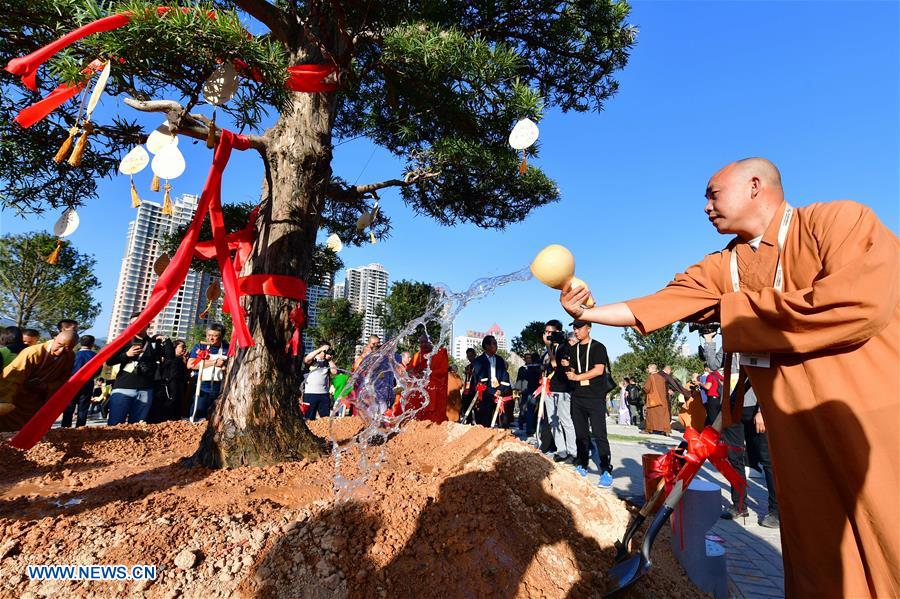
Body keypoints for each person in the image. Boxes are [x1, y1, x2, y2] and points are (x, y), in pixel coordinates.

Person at [560, 157, 899, 597]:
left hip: (872, 414)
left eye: (712, 194)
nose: (705, 207)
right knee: (817, 554)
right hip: (793, 433)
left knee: (888, 532)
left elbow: (863, 304)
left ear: (755, 186)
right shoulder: (726, 266)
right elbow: (665, 302)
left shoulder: (838, 220)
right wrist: (587, 312)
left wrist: (735, 311)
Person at [703, 334, 779, 527]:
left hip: (754, 407)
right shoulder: (729, 341)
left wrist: (763, 409)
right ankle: (739, 505)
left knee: (767, 460)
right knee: (734, 458)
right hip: (731, 407)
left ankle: (776, 511)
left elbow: (767, 377)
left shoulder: (756, 339)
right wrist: (709, 341)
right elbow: (713, 365)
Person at [566, 320, 614, 487]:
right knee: (581, 434)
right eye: (574, 328)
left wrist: (578, 377)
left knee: (600, 434)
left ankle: (606, 469)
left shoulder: (598, 347)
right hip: (577, 397)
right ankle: (582, 464)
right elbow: (571, 369)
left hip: (595, 398)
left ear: (589, 328)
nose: (576, 331)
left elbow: (599, 370)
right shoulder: (573, 349)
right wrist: (568, 371)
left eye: (579, 327)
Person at [0, 330, 77, 431]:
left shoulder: (69, 356)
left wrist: (46, 386)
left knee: (35, 433)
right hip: (17, 402)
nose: (60, 351)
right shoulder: (33, 353)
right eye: (59, 345)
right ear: (54, 338)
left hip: (38, 404)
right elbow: (12, 379)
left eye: (68, 348)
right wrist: (5, 403)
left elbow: (64, 381)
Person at [105, 313, 173, 425]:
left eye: (139, 324)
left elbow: (170, 356)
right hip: (123, 387)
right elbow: (109, 361)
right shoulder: (123, 341)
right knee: (115, 424)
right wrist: (127, 354)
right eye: (132, 324)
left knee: (137, 425)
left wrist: (165, 339)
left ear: (147, 325)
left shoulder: (153, 343)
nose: (135, 327)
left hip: (145, 390)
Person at [542, 320, 576, 462]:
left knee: (565, 420)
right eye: (546, 332)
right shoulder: (548, 349)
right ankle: (561, 450)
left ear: (558, 331)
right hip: (550, 389)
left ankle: (573, 452)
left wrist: (548, 347)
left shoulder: (564, 347)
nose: (548, 335)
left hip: (563, 389)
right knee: (552, 421)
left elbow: (556, 364)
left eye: (551, 332)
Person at [188, 325, 229, 421]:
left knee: (214, 418)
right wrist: (213, 363)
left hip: (220, 387)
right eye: (209, 335)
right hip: (202, 386)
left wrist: (225, 367)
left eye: (215, 336)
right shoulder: (200, 347)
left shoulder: (227, 348)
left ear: (221, 337)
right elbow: (190, 364)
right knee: (197, 414)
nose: (211, 338)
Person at [469, 335, 512, 427]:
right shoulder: (478, 361)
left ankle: (503, 439)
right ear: (487, 346)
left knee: (503, 422)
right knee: (485, 422)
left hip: (500, 395)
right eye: (494, 343)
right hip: (485, 396)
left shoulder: (500, 360)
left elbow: (505, 376)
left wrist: (500, 390)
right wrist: (493, 392)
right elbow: (481, 381)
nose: (496, 346)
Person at [60, 334, 98, 428]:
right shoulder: (95, 356)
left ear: (80, 343)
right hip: (87, 383)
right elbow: (98, 371)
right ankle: (80, 429)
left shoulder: (73, 355)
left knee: (69, 408)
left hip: (72, 383)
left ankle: (65, 428)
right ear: (92, 344)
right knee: (83, 409)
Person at [148, 339, 190, 423]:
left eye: (185, 347)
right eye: (182, 347)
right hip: (169, 393)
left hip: (178, 393)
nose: (184, 349)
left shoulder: (181, 360)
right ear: (174, 347)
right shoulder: (170, 360)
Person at [302, 343, 338, 419]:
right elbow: (306, 359)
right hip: (310, 394)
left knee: (325, 418)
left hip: (324, 394)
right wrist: (320, 349)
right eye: (326, 351)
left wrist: (329, 360)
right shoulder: (313, 360)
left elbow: (334, 372)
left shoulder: (327, 362)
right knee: (308, 418)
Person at [641, 364, 671, 435]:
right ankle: (666, 430)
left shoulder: (651, 377)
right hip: (663, 400)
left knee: (651, 415)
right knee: (664, 415)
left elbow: (646, 388)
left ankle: (649, 429)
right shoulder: (662, 377)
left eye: (649, 368)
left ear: (652, 369)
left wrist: (643, 390)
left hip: (653, 400)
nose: (648, 370)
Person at [459, 347, 478, 423]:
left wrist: (472, 373)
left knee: (476, 408)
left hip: (476, 389)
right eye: (468, 356)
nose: (469, 358)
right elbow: (466, 379)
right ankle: (469, 421)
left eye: (471, 356)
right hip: (468, 390)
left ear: (474, 355)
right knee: (466, 406)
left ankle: (478, 423)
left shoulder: (478, 365)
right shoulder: (468, 366)